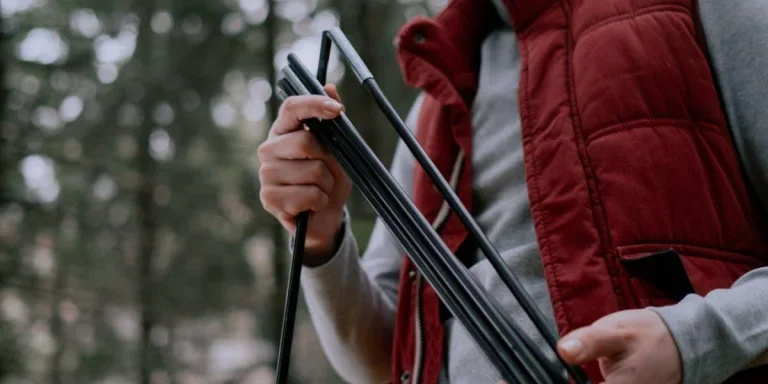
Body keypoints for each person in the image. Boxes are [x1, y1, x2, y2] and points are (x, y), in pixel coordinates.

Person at [258, 0, 768, 383]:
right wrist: (322, 238)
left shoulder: (706, 13)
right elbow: (382, 358)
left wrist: (696, 340)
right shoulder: (434, 103)